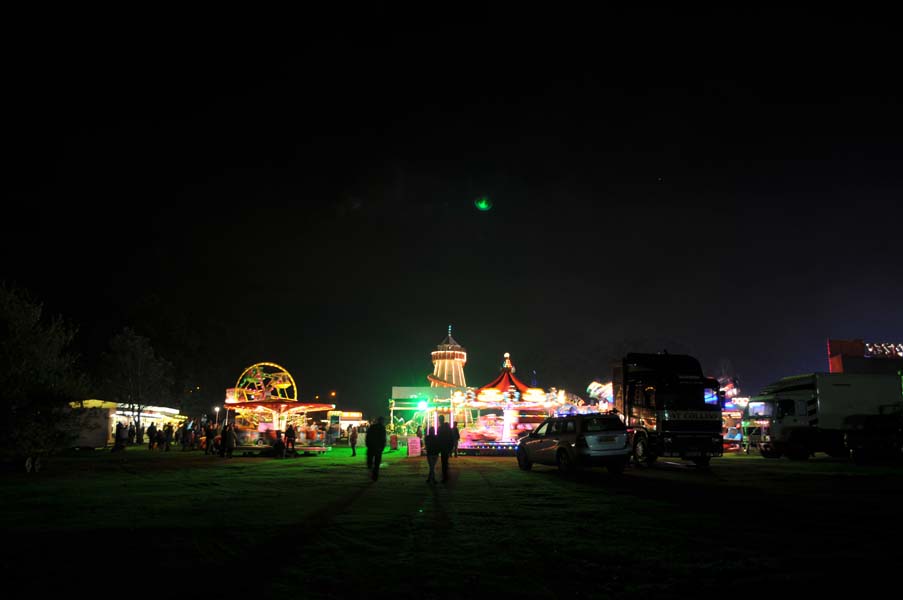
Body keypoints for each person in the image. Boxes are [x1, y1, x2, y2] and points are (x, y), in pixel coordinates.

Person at [366, 417, 387, 481]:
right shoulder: (382, 428)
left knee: (370, 462)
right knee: (377, 463)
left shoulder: (372, 427)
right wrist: (382, 447)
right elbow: (383, 439)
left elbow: (367, 436)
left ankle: (371, 472)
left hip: (371, 447)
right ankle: (375, 476)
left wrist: (368, 445)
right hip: (378, 448)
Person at [437, 415, 454, 483]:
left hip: (443, 447)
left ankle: (445, 476)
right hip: (446, 447)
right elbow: (451, 438)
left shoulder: (440, 428)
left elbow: (438, 439)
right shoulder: (448, 428)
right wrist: (451, 447)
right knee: (445, 461)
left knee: (444, 462)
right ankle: (446, 475)